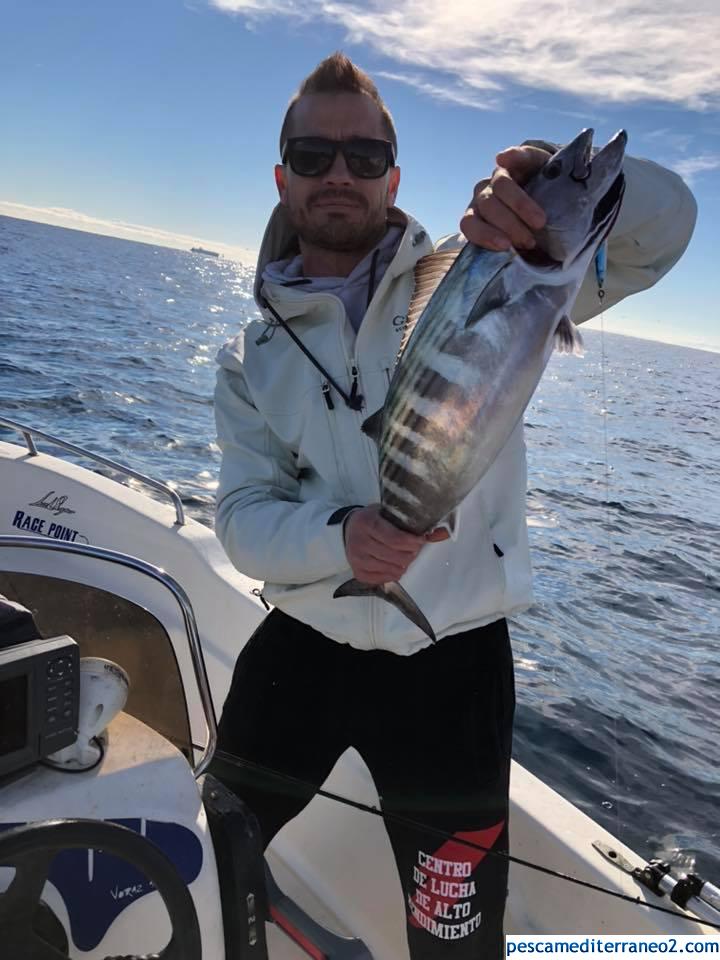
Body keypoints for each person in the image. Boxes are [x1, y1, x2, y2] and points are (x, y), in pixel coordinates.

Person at [211, 52, 696, 958]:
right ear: (282, 178)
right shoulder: (251, 355)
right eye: (313, 156)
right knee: (207, 848)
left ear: (394, 177)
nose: (339, 174)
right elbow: (240, 519)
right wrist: (343, 540)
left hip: (453, 670)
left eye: (364, 155)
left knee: (455, 941)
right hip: (301, 647)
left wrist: (543, 178)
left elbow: (664, 232)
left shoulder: (499, 265)